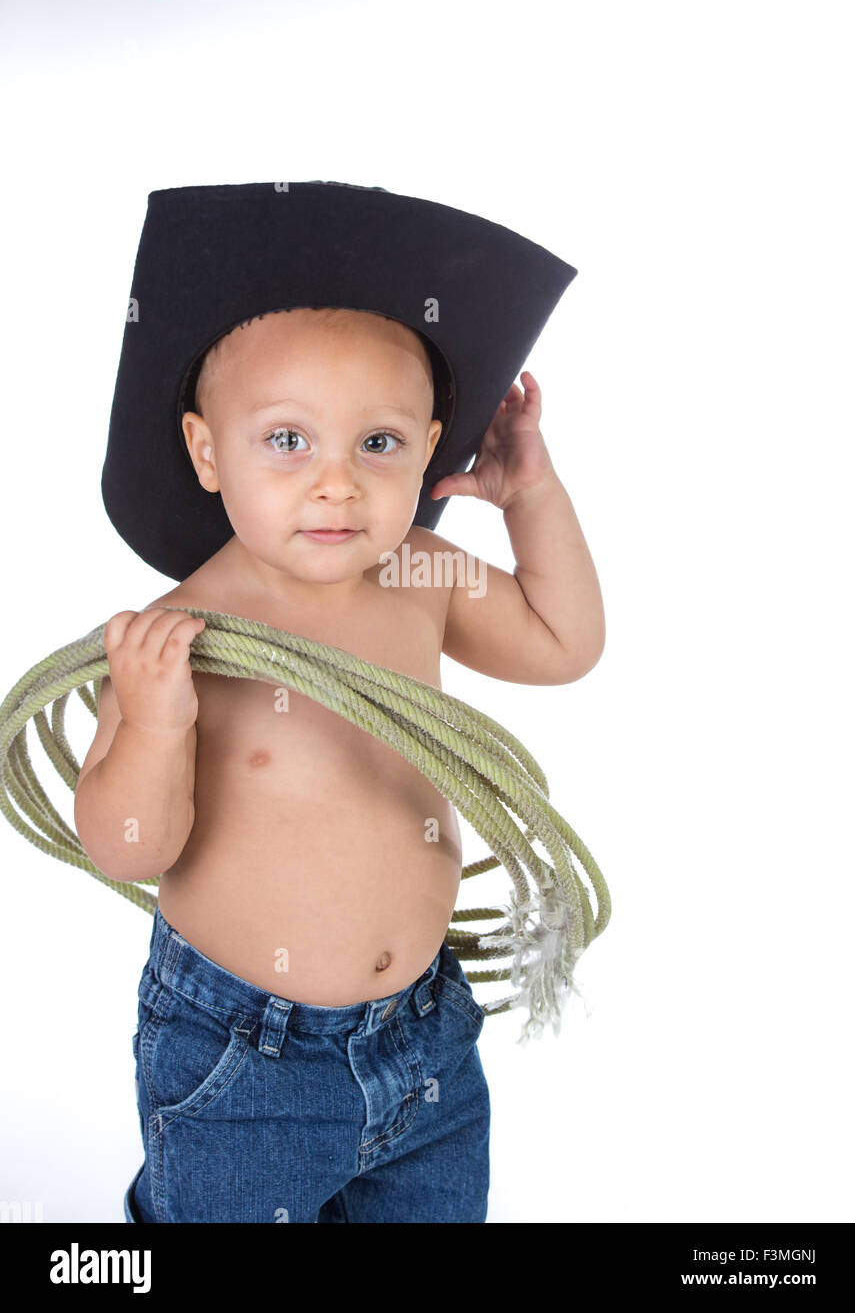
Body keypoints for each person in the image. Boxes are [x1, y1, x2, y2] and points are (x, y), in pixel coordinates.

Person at [73, 186, 605, 1223]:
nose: (335, 485)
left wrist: (531, 493)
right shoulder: (181, 635)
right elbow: (129, 846)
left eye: (377, 444)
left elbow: (560, 644)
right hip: (246, 1057)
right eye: (286, 442)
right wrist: (153, 722)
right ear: (205, 451)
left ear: (430, 447)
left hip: (425, 1036)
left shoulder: (418, 572)